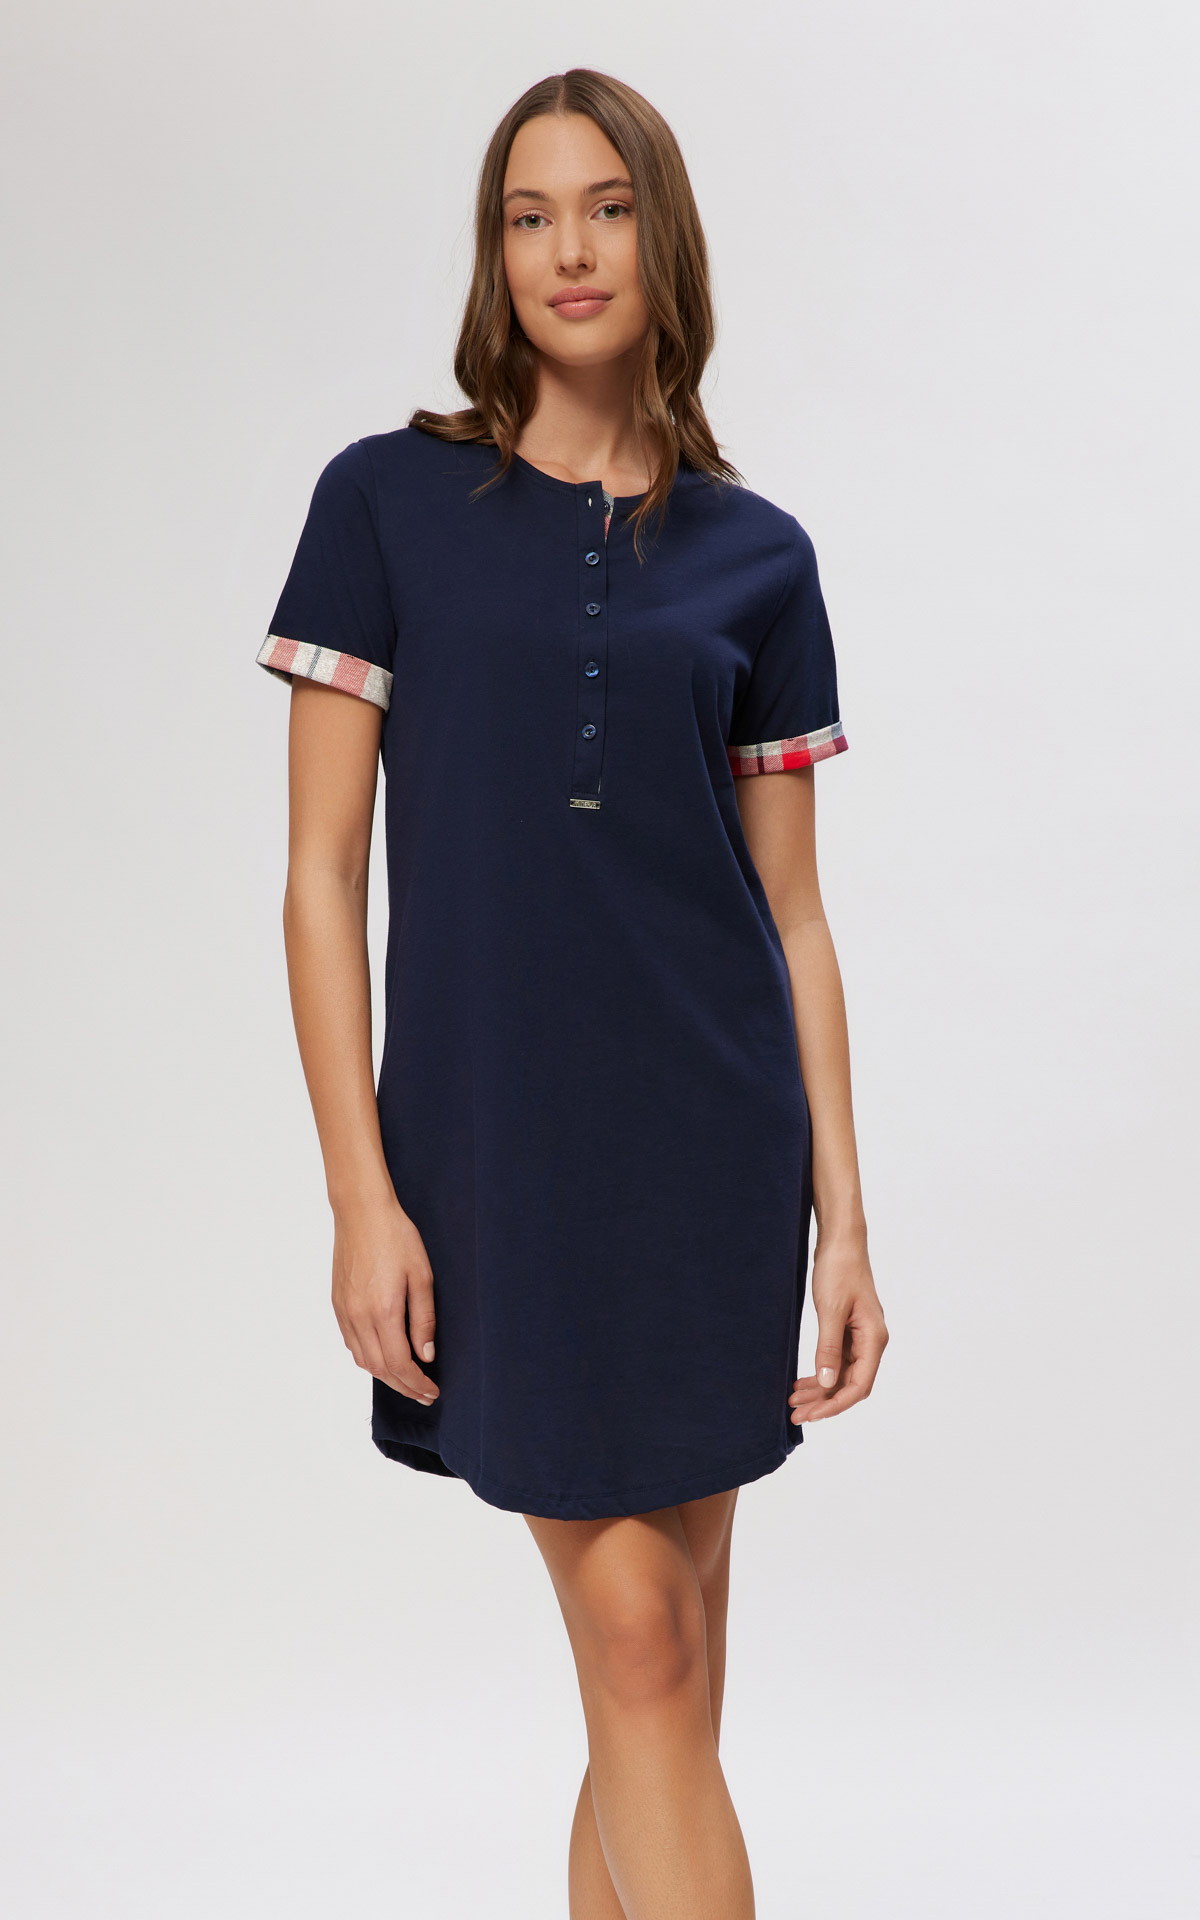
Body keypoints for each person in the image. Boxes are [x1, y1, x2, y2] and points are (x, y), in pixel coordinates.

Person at [255, 66, 889, 1920]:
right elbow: (319, 880)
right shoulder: (385, 503)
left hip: (711, 1158)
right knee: (643, 1645)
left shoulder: (760, 555)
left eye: (605, 206)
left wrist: (846, 1225)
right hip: (499, 1165)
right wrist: (360, 1193)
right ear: (494, 253)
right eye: (528, 216)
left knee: (662, 1670)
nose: (568, 248)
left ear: (661, 234)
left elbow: (797, 921)